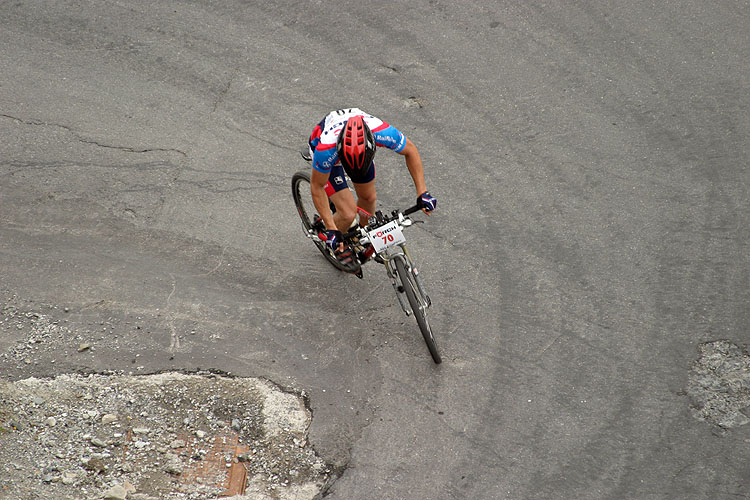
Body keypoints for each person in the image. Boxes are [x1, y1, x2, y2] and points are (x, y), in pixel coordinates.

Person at [307, 108, 437, 261]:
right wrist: (331, 228)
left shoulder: (382, 132)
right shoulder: (326, 150)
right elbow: (317, 187)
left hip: (359, 154)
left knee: (368, 198)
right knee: (348, 213)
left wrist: (422, 192)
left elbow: (411, 150)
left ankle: (362, 235)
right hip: (326, 150)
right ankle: (335, 244)